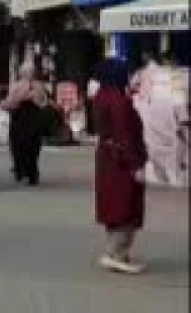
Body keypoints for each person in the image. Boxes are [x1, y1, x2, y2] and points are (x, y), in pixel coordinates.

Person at [93, 58, 148, 274]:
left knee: (114, 205)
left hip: (108, 157)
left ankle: (117, 252)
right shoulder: (119, 101)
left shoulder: (101, 96)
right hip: (121, 160)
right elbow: (125, 134)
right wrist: (135, 164)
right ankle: (116, 253)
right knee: (126, 205)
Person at [1, 61, 50, 185]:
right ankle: (31, 172)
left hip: (20, 119)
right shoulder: (39, 86)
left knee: (19, 146)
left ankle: (21, 170)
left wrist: (7, 103)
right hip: (33, 120)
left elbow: (10, 104)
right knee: (32, 147)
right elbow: (44, 103)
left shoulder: (16, 86)